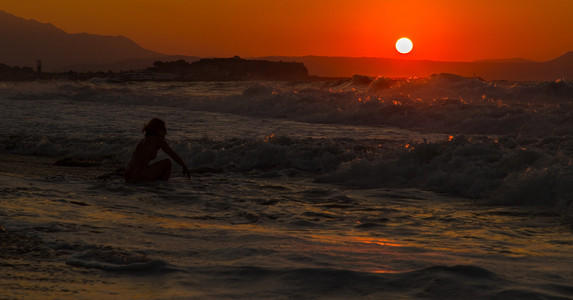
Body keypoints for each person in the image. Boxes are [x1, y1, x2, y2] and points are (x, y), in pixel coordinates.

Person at [124, 118, 191, 182]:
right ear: (157, 129)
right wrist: (185, 166)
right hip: (139, 175)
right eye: (164, 129)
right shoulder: (158, 139)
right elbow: (173, 155)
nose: (166, 132)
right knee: (167, 163)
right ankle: (163, 186)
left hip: (128, 175)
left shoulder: (143, 141)